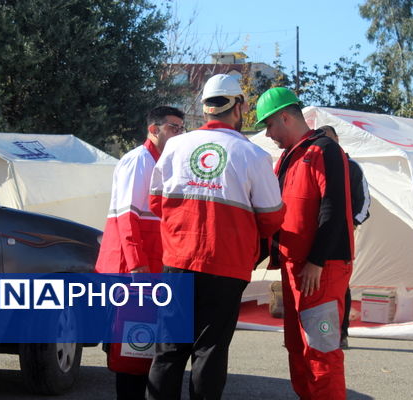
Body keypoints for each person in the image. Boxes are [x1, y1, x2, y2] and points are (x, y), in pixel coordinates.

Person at [146, 74, 284, 400]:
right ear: (239, 107)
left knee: (168, 350)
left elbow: (155, 201)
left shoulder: (176, 145)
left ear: (206, 108)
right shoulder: (253, 154)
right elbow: (272, 217)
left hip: (178, 262)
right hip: (226, 267)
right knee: (209, 352)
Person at [255, 87, 354, 400]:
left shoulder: (324, 149)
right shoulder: (289, 156)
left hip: (319, 272)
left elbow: (334, 207)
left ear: (285, 117)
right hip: (295, 268)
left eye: (269, 125)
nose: (268, 133)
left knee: (321, 350)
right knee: (297, 347)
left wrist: (316, 261)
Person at [95, 106, 185, 400]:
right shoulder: (138, 160)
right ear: (153, 129)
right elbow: (127, 218)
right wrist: (137, 268)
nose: (178, 133)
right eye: (173, 127)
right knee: (132, 353)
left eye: (182, 128)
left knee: (147, 352)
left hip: (152, 270)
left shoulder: (163, 163)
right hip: (134, 271)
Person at [319, 125, 371, 349]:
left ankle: (341, 333)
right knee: (318, 285)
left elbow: (365, 203)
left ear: (338, 140)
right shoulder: (315, 163)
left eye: (331, 140)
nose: (327, 146)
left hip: (342, 239)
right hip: (318, 236)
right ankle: (319, 332)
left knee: (340, 287)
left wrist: (351, 224)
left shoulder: (352, 167)